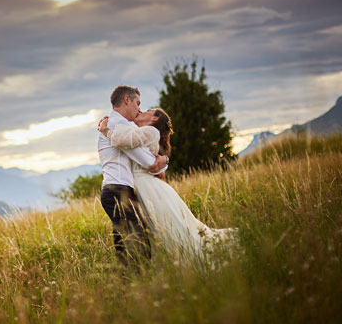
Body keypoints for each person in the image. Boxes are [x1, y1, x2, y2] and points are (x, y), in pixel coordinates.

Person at [98, 108, 238, 263]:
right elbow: (149, 158)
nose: (140, 111)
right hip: (143, 187)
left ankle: (188, 259)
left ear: (154, 119)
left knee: (169, 230)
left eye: (147, 111)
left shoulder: (149, 131)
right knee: (158, 231)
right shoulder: (137, 131)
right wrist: (164, 161)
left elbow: (131, 148)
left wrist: (105, 130)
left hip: (148, 188)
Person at [97, 86, 168, 268]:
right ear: (127, 99)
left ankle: (127, 287)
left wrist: (163, 161)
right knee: (140, 244)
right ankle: (140, 283)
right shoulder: (119, 125)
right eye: (137, 103)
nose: (139, 109)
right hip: (117, 191)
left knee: (124, 247)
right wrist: (162, 160)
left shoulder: (115, 124)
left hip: (117, 190)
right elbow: (146, 160)